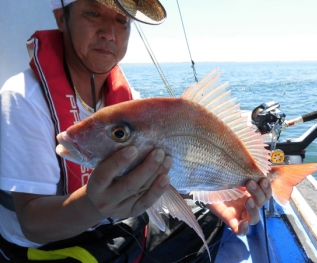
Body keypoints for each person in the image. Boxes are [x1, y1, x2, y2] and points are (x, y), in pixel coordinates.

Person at [0, 0, 272, 262]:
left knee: (215, 221)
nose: (109, 33)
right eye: (93, 14)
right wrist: (92, 205)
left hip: (116, 236)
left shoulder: (129, 103)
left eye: (122, 20)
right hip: (55, 252)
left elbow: (173, 166)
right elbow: (32, 225)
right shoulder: (22, 98)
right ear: (62, 17)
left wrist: (214, 195)